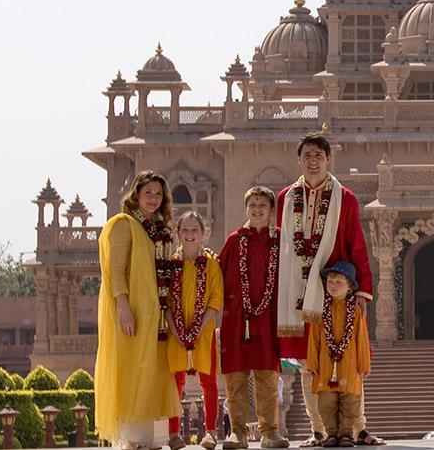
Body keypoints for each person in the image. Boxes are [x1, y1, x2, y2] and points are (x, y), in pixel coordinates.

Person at [275, 132, 382, 446]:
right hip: (297, 296)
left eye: (318, 156)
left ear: (328, 159)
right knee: (310, 364)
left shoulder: (343, 198)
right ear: (299, 159)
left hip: (334, 296)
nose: (312, 161)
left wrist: (361, 292)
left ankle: (356, 428)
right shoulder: (285, 198)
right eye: (307, 155)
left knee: (346, 358)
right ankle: (319, 431)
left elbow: (356, 245)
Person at [95, 170, 182, 450]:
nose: (153, 199)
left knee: (153, 373)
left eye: (158, 194)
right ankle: (131, 438)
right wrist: (123, 308)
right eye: (148, 193)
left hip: (155, 316)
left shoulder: (158, 230)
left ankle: (150, 438)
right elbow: (115, 272)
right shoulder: (124, 225)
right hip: (132, 314)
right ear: (136, 195)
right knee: (133, 370)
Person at [219, 186, 290, 449]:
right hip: (236, 317)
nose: (257, 209)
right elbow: (217, 278)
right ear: (245, 209)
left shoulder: (281, 240)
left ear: (272, 210)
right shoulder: (234, 240)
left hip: (268, 318)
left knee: (267, 378)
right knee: (235, 378)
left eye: (263, 205)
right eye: (253, 205)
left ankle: (269, 432)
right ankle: (237, 432)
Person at [165, 211, 224, 450]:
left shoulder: (210, 263)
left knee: (208, 382)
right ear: (177, 234)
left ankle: (210, 433)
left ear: (203, 233)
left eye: (195, 230)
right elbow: (165, 301)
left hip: (205, 331)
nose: (190, 235)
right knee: (175, 382)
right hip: (175, 332)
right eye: (185, 230)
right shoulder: (170, 265)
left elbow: (216, 297)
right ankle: (173, 433)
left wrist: (200, 326)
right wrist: (175, 327)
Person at [306, 262, 371, 449]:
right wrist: (312, 362)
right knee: (326, 402)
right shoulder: (321, 309)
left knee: (349, 401)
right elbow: (314, 339)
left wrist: (364, 364)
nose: (333, 286)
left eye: (339, 282)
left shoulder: (356, 311)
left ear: (350, 286)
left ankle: (346, 434)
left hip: (350, 364)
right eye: (330, 282)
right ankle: (331, 433)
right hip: (326, 364)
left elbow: (361, 338)